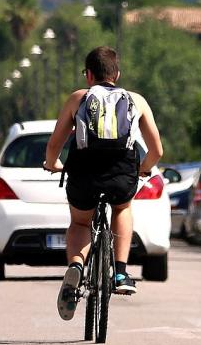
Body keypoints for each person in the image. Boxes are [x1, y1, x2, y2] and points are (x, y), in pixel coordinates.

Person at [42, 46, 162, 321]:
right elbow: (157, 151)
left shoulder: (78, 98)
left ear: (89, 75)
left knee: (81, 222)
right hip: (122, 171)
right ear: (116, 74)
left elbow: (54, 144)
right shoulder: (136, 100)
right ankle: (120, 271)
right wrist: (142, 170)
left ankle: (76, 265)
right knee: (122, 208)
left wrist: (52, 164)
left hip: (84, 171)